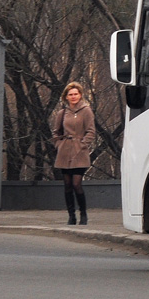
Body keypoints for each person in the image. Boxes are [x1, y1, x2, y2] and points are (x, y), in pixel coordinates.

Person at [51, 81, 96, 226]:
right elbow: (56, 132)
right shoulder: (62, 113)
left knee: (77, 183)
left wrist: (83, 145)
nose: (73, 97)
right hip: (65, 152)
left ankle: (83, 214)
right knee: (67, 184)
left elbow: (91, 131)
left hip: (79, 152)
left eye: (76, 94)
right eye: (70, 94)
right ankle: (71, 215)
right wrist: (59, 145)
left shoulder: (86, 110)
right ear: (66, 97)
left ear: (80, 95)